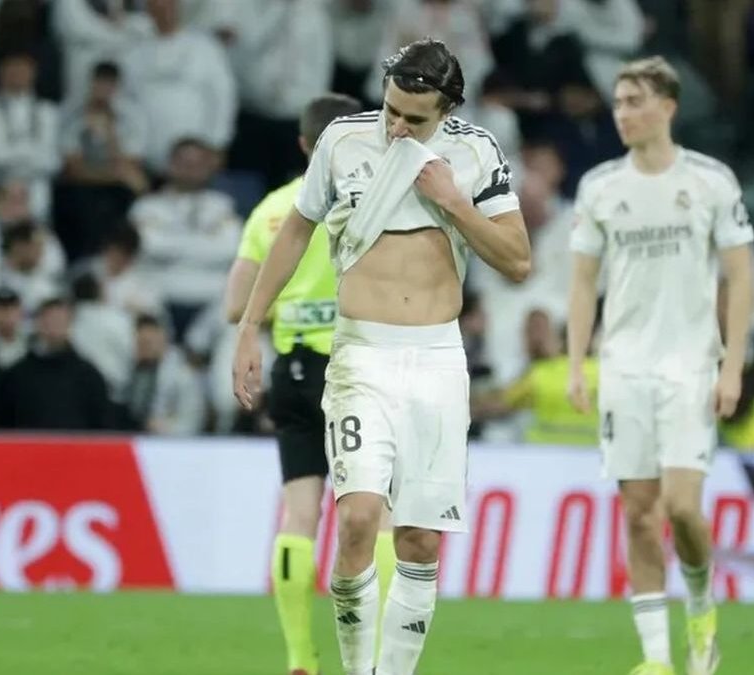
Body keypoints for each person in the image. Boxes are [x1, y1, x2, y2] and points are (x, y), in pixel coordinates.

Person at [232, 39, 528, 675]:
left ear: (447, 111)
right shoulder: (342, 141)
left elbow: (517, 261)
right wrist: (250, 324)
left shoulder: (476, 152)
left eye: (414, 119)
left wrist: (454, 202)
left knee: (419, 540)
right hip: (361, 354)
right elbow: (296, 230)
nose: (396, 127)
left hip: (437, 359)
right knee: (359, 518)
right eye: (391, 110)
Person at [566, 56, 754, 675]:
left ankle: (701, 610)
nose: (622, 113)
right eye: (618, 103)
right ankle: (655, 659)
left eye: (634, 101)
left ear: (668, 108)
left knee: (680, 507)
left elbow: (740, 275)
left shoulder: (710, 181)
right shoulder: (600, 186)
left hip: (690, 364)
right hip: (623, 366)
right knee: (639, 514)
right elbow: (582, 281)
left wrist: (733, 366)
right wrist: (576, 363)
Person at [224, 93, 396, 675]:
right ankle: (379, 656)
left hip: (292, 370)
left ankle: (300, 657)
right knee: (381, 514)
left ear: (303, 143)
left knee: (300, 514)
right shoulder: (374, 198)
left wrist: (291, 307)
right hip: (356, 368)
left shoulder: (273, 210)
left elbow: (234, 305)